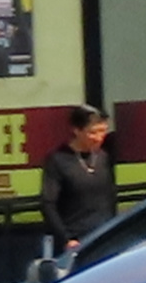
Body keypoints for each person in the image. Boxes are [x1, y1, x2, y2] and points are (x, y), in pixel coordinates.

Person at [40, 105, 117, 252]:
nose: (99, 138)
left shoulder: (103, 157)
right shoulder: (58, 160)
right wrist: (66, 239)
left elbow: (110, 197)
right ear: (77, 130)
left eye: (103, 131)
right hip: (75, 239)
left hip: (104, 235)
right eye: (92, 132)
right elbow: (48, 203)